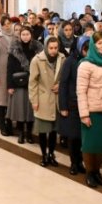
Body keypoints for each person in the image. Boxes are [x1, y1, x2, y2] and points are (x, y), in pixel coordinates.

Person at [76, 31, 102, 187]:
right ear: (93, 45)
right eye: (99, 43)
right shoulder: (85, 64)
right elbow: (81, 91)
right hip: (92, 111)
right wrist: (84, 114)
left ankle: (97, 171)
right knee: (89, 144)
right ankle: (89, 172)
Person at [29, 36, 65, 164]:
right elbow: (32, 82)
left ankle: (51, 154)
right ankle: (44, 154)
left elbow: (65, 78)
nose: (53, 50)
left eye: (56, 48)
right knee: (43, 130)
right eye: (51, 48)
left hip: (56, 99)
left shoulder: (62, 59)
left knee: (54, 131)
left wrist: (60, 85)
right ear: (46, 47)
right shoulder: (37, 60)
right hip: (43, 99)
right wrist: (34, 100)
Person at [58, 36, 88, 175]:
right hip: (72, 103)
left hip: (86, 104)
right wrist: (63, 106)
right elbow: (63, 84)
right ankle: (73, 162)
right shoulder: (70, 61)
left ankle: (80, 161)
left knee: (82, 137)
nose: (86, 52)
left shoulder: (89, 61)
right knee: (73, 136)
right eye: (85, 49)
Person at [7, 27, 38, 143]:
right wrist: (10, 85)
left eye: (27, 34)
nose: (25, 36)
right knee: (20, 110)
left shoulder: (37, 49)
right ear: (20, 36)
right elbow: (9, 69)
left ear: (31, 35)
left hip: (32, 84)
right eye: (23, 34)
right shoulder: (14, 49)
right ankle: (20, 133)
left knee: (30, 111)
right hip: (18, 84)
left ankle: (29, 134)